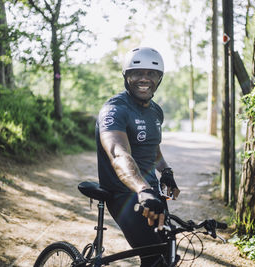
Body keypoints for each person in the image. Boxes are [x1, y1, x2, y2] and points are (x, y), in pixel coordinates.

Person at [95, 47, 180, 266]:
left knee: (168, 254)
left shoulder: (155, 111)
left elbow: (153, 148)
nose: (145, 79)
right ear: (126, 76)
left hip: (150, 192)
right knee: (155, 258)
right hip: (124, 193)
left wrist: (166, 171)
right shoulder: (114, 110)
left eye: (151, 74)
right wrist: (142, 189)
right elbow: (118, 153)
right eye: (137, 73)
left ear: (159, 79)